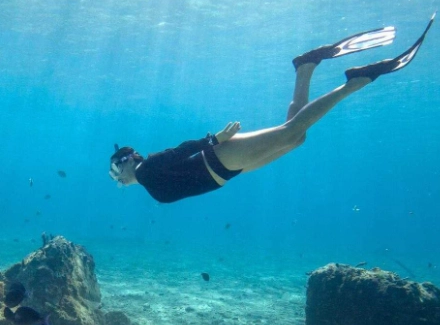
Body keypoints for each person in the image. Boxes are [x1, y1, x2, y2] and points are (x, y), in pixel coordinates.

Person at [109, 14, 435, 204]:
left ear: (127, 162)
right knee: (296, 138)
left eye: (114, 171)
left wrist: (214, 139)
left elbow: (176, 153)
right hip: (225, 170)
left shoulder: (145, 170)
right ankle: (305, 68)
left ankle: (356, 81)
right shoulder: (147, 177)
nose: (116, 179)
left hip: (218, 159)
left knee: (290, 132)